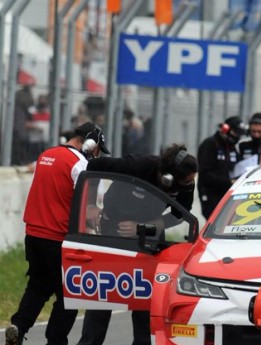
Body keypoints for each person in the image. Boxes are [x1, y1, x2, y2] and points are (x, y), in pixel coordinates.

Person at [77, 144, 197, 345]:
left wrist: (152, 225)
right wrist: (90, 205)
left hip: (150, 235)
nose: (190, 183)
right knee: (103, 294)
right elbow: (93, 167)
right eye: (186, 180)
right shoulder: (137, 165)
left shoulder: (186, 182)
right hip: (112, 231)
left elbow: (182, 211)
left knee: (145, 296)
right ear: (167, 176)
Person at [5, 122, 109, 345]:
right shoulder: (80, 164)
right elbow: (90, 208)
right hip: (59, 238)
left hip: (33, 234)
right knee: (69, 295)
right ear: (89, 143)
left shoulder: (46, 155)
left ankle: (19, 325)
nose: (96, 155)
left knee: (38, 285)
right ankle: (56, 339)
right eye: (97, 150)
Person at [197, 116, 246, 218]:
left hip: (228, 195)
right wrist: (229, 182)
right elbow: (204, 174)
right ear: (226, 129)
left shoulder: (233, 148)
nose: (238, 137)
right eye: (236, 133)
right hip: (211, 195)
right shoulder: (210, 144)